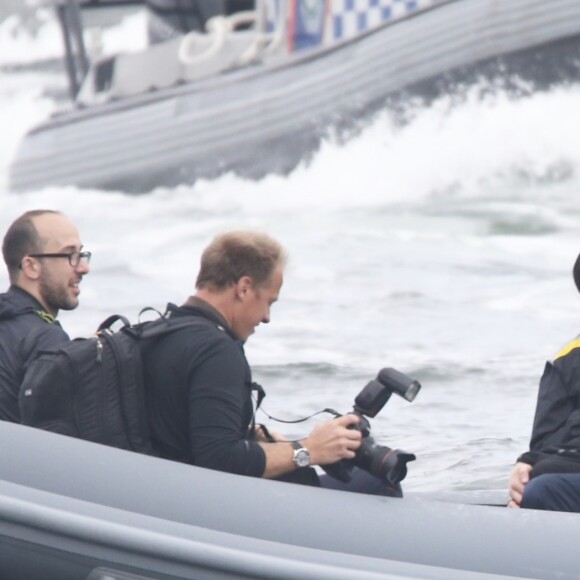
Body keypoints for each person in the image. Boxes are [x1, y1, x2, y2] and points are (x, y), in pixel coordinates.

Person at [144, 230, 402, 496]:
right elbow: (219, 459)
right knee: (379, 483)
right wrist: (308, 450)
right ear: (244, 288)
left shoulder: (160, 330)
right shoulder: (217, 351)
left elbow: (176, 422)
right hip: (215, 501)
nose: (266, 317)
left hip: (166, 483)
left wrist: (256, 437)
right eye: (268, 301)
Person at [0, 210, 91, 423]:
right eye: (70, 255)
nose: (84, 267)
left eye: (81, 254)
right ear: (31, 266)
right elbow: (57, 438)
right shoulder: (46, 340)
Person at [508, 252, 580, 512]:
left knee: (543, 490)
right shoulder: (568, 358)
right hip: (567, 470)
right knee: (537, 486)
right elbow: (546, 439)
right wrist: (527, 465)